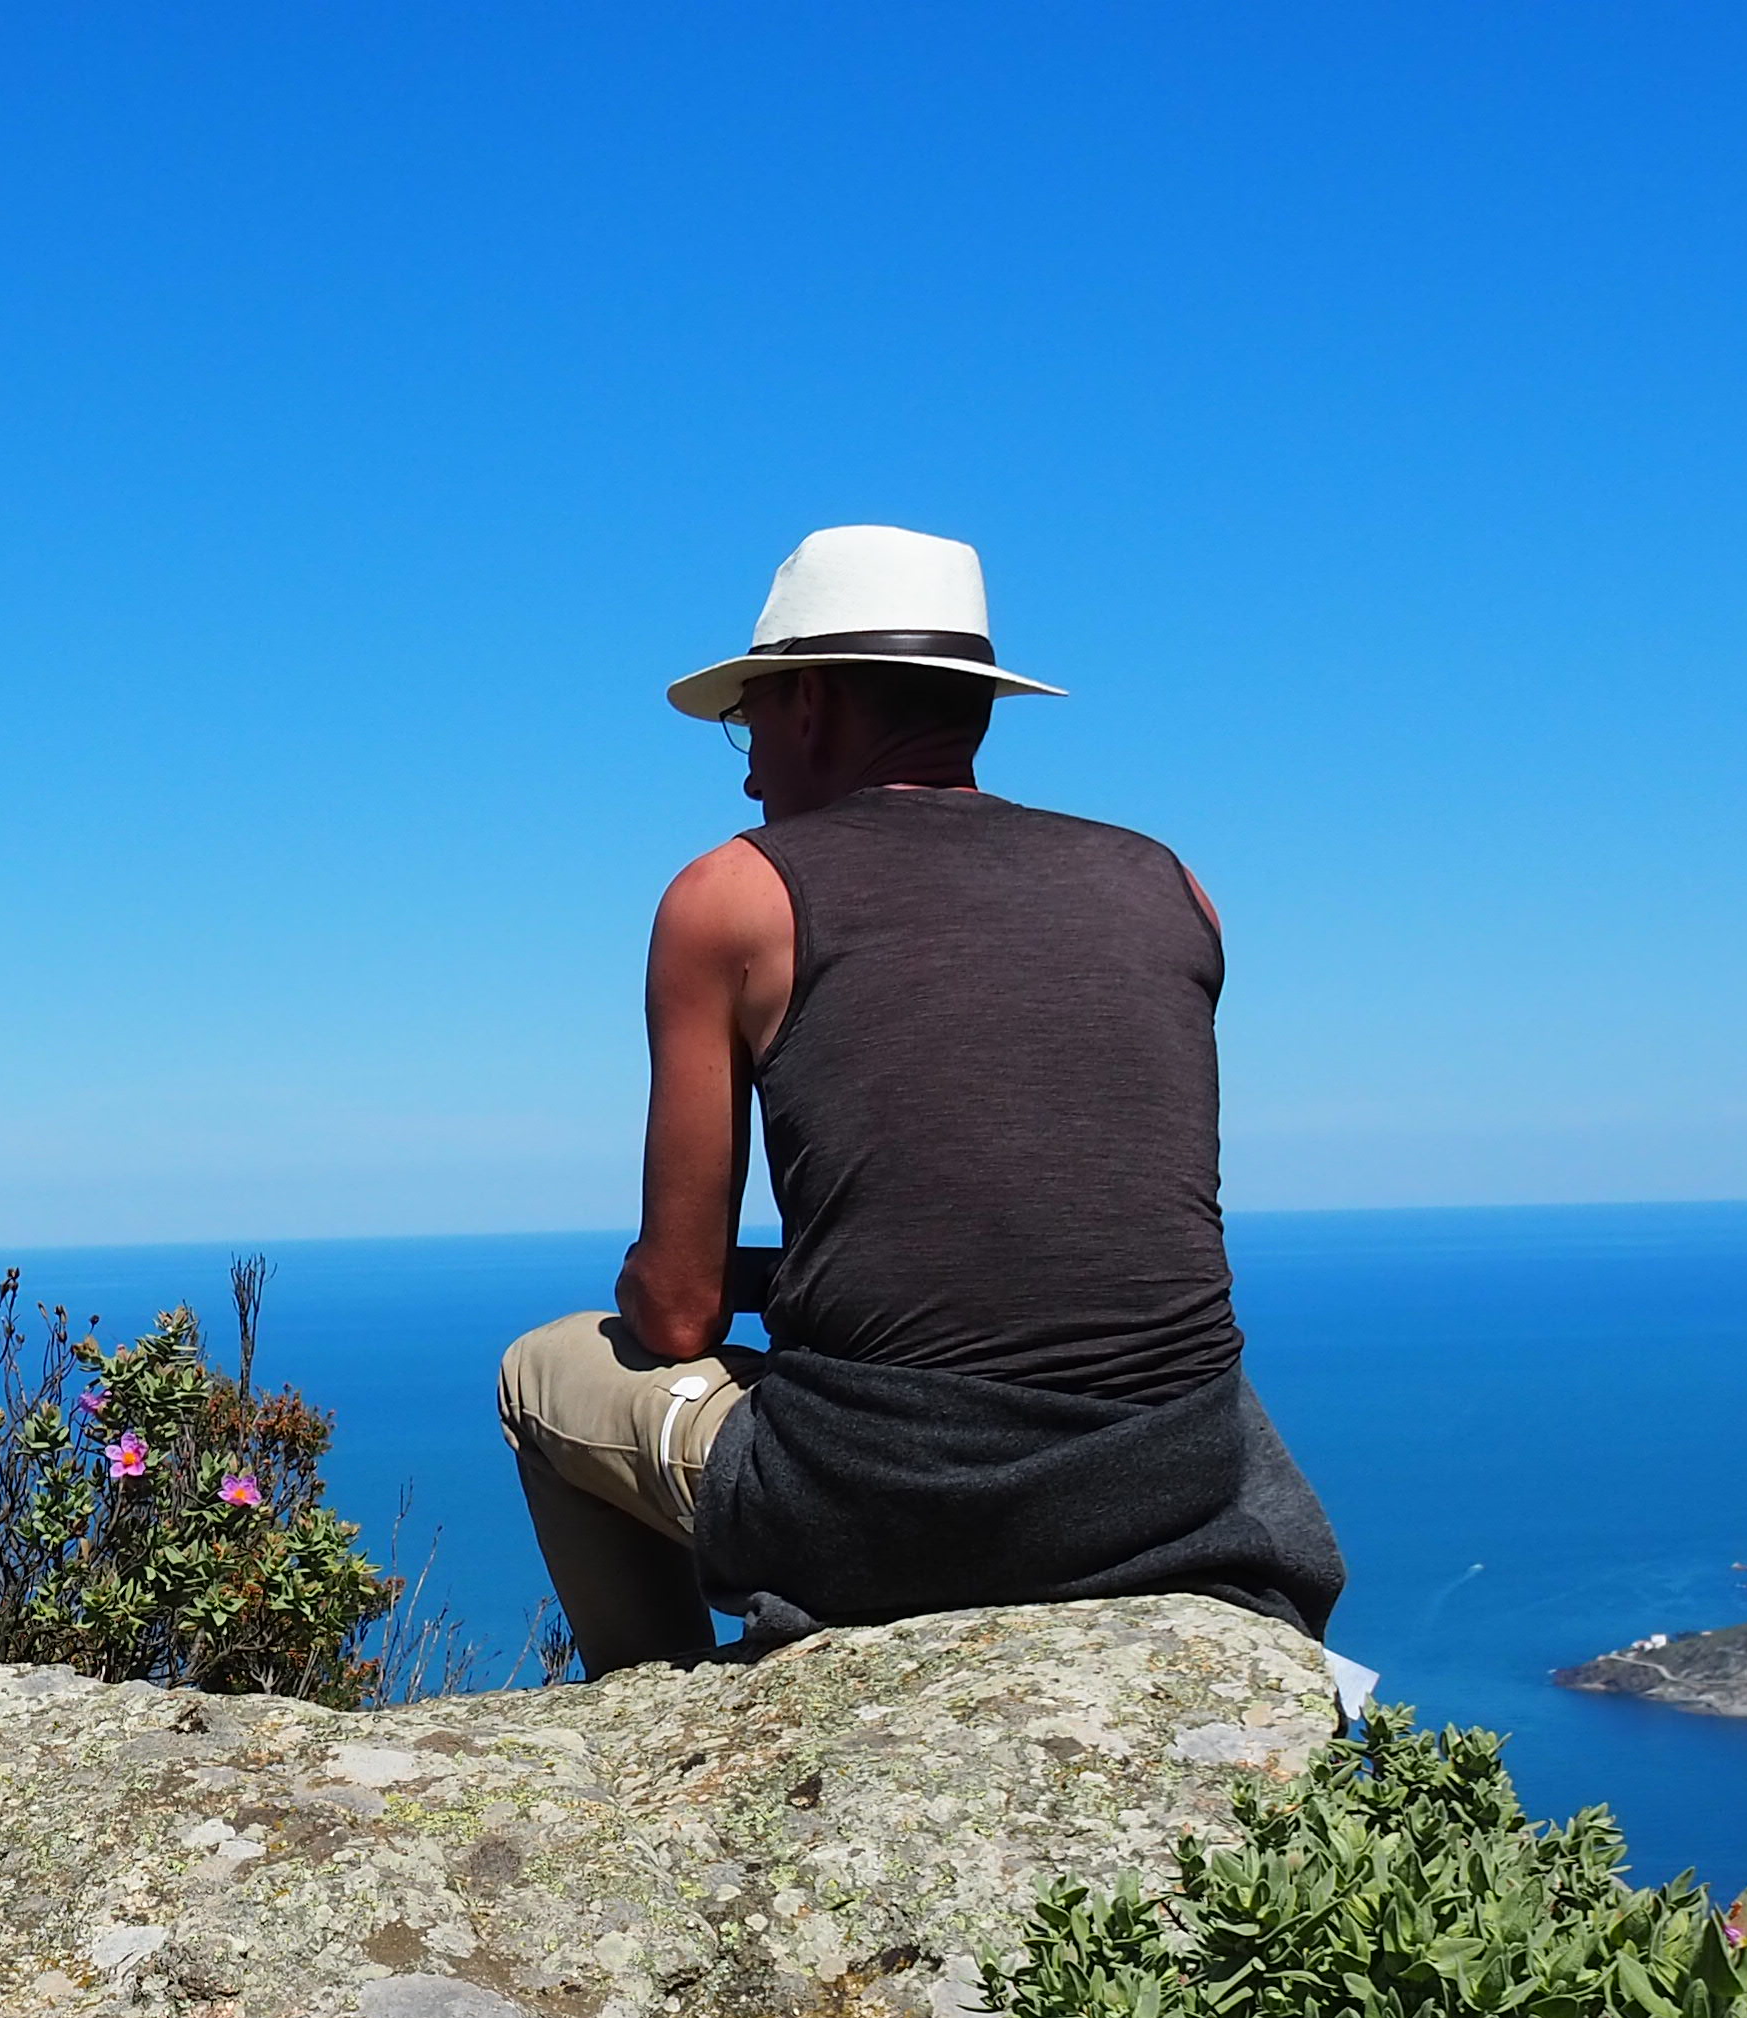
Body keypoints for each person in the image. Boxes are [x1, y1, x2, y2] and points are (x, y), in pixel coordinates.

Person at [497, 523, 1344, 1674]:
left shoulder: (731, 897)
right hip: (1172, 1491)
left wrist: (665, 1286)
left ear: (812, 703)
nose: (748, 771)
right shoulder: (1169, 884)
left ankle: (654, 1713)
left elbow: (680, 1315)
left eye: (749, 722)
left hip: (892, 1514)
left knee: (541, 1370)